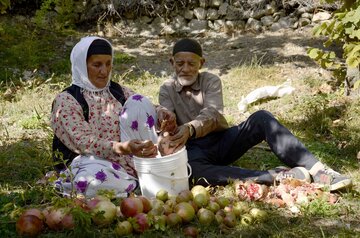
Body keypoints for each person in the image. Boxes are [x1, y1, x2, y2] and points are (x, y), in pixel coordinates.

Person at [158, 38, 353, 192]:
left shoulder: (210, 81)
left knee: (261, 117)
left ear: (201, 63)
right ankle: (274, 176)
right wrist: (166, 124)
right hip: (191, 150)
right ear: (171, 62)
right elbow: (167, 123)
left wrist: (190, 128)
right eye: (180, 63)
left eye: (191, 63)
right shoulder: (166, 89)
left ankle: (319, 171)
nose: (185, 69)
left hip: (221, 141)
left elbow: (212, 113)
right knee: (189, 171)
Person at [50, 36, 176, 198]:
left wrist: (161, 113)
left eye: (108, 64)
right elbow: (84, 143)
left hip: (127, 159)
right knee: (92, 180)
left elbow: (148, 107)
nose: (104, 71)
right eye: (97, 65)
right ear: (81, 65)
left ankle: (143, 171)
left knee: (138, 101)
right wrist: (123, 147)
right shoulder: (67, 100)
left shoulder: (116, 91)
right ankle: (138, 183)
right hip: (91, 162)